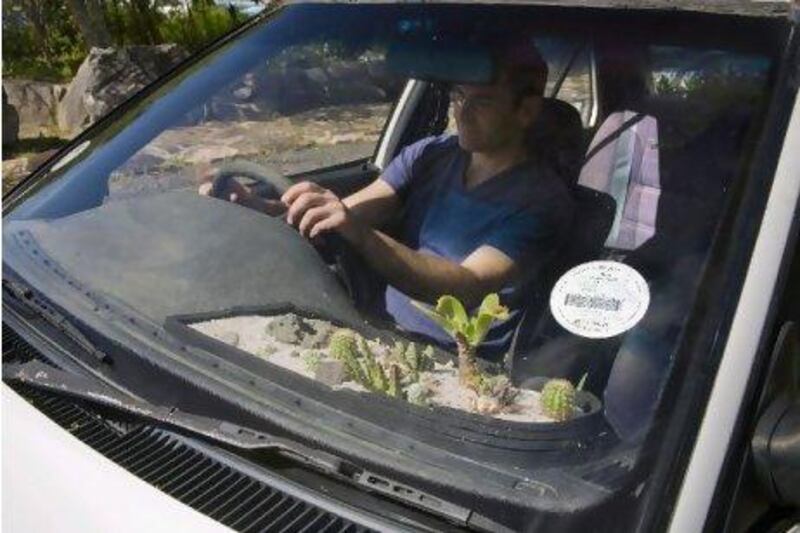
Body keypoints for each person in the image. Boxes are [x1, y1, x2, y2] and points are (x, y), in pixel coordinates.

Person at [199, 41, 574, 359]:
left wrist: (359, 233)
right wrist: (259, 208)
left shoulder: (542, 202)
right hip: (374, 325)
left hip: (454, 359)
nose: (461, 112)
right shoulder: (430, 154)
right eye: (458, 96)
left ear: (525, 111)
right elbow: (352, 211)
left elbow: (466, 285)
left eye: (483, 102)